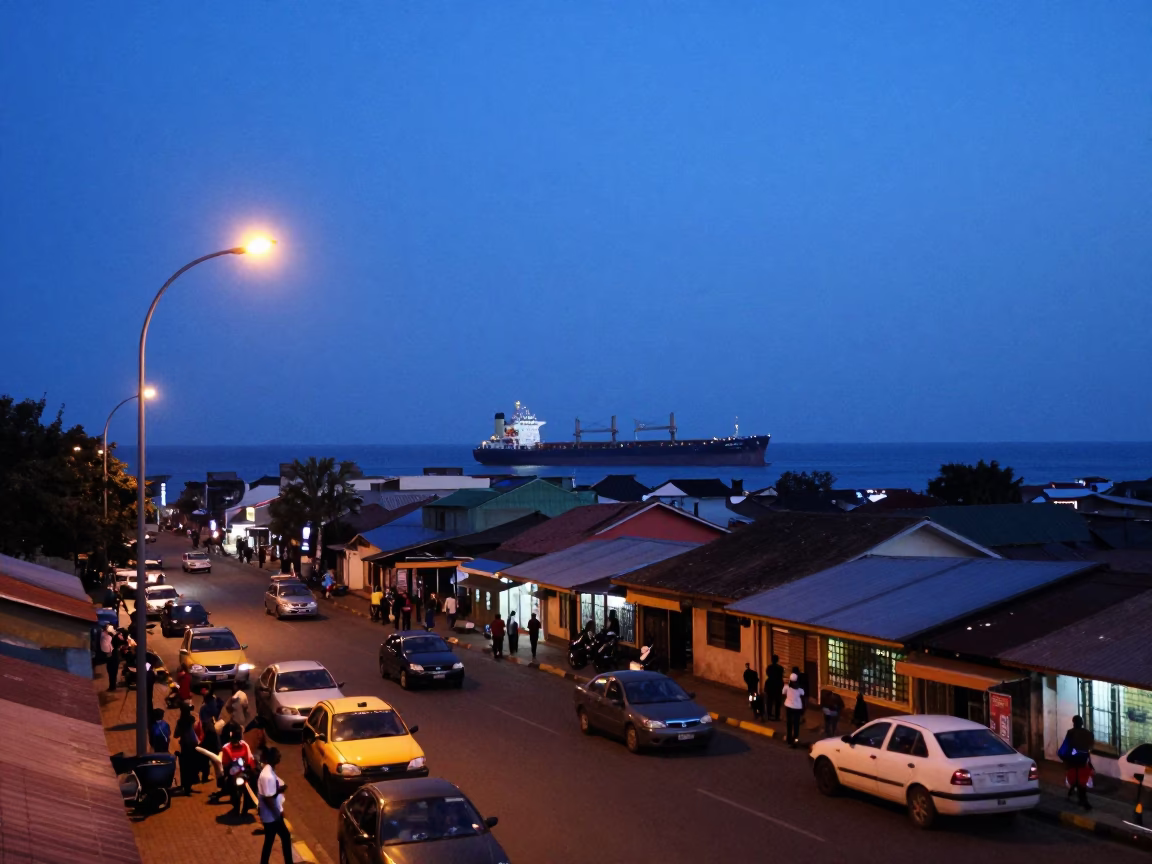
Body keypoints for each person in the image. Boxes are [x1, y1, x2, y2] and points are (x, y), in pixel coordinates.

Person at [258, 748, 292, 864]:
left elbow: (270, 793)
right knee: (285, 836)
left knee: (269, 840)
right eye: (278, 756)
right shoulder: (267, 775)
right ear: (272, 758)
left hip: (271, 816)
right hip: (272, 816)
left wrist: (279, 789)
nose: (279, 758)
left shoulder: (269, 771)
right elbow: (268, 799)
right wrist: (278, 814)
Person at [1060, 715, 1095, 809]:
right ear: (1082, 723)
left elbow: (1066, 746)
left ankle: (1082, 800)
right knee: (1081, 781)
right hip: (1083, 760)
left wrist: (1063, 756)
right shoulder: (1088, 733)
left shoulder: (1071, 733)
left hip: (1073, 760)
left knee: (1076, 780)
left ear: (1074, 723)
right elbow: (1090, 747)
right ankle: (1080, 798)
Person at [220, 725, 255, 816]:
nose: (236, 743)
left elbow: (249, 759)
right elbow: (225, 763)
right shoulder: (226, 748)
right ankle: (235, 806)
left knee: (252, 784)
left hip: (243, 772)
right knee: (229, 785)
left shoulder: (244, 745)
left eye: (237, 740)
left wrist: (248, 768)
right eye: (234, 741)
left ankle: (248, 806)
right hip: (233, 773)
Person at [199, 688, 224, 785]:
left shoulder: (203, 708)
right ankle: (218, 777)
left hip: (206, 733)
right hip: (209, 734)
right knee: (214, 756)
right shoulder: (208, 710)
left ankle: (205, 775)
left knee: (206, 756)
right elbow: (216, 712)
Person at [174, 702, 199, 795]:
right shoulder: (192, 719)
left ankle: (186, 787)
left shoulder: (180, 722)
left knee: (185, 767)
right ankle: (190, 785)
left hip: (185, 745)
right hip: (193, 744)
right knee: (192, 765)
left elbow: (176, 734)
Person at [782, 672, 805, 748]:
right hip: (797, 708)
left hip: (788, 706)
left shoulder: (786, 687)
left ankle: (789, 739)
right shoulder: (800, 689)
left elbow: (783, 692)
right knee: (796, 725)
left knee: (789, 723)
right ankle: (795, 740)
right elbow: (803, 694)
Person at [764, 654, 784, 721]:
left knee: (769, 701)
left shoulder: (769, 667)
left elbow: (767, 674)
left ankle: (769, 714)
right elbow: (781, 676)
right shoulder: (780, 668)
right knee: (777, 702)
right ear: (777, 660)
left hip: (770, 685)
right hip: (777, 686)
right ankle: (777, 716)